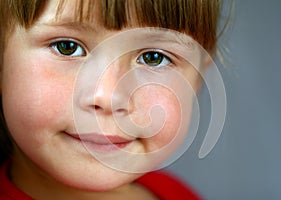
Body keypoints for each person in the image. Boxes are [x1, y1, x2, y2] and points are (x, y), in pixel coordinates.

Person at [0, 0, 222, 199]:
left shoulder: (176, 193)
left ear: (197, 79)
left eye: (153, 58)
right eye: (67, 47)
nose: (109, 97)